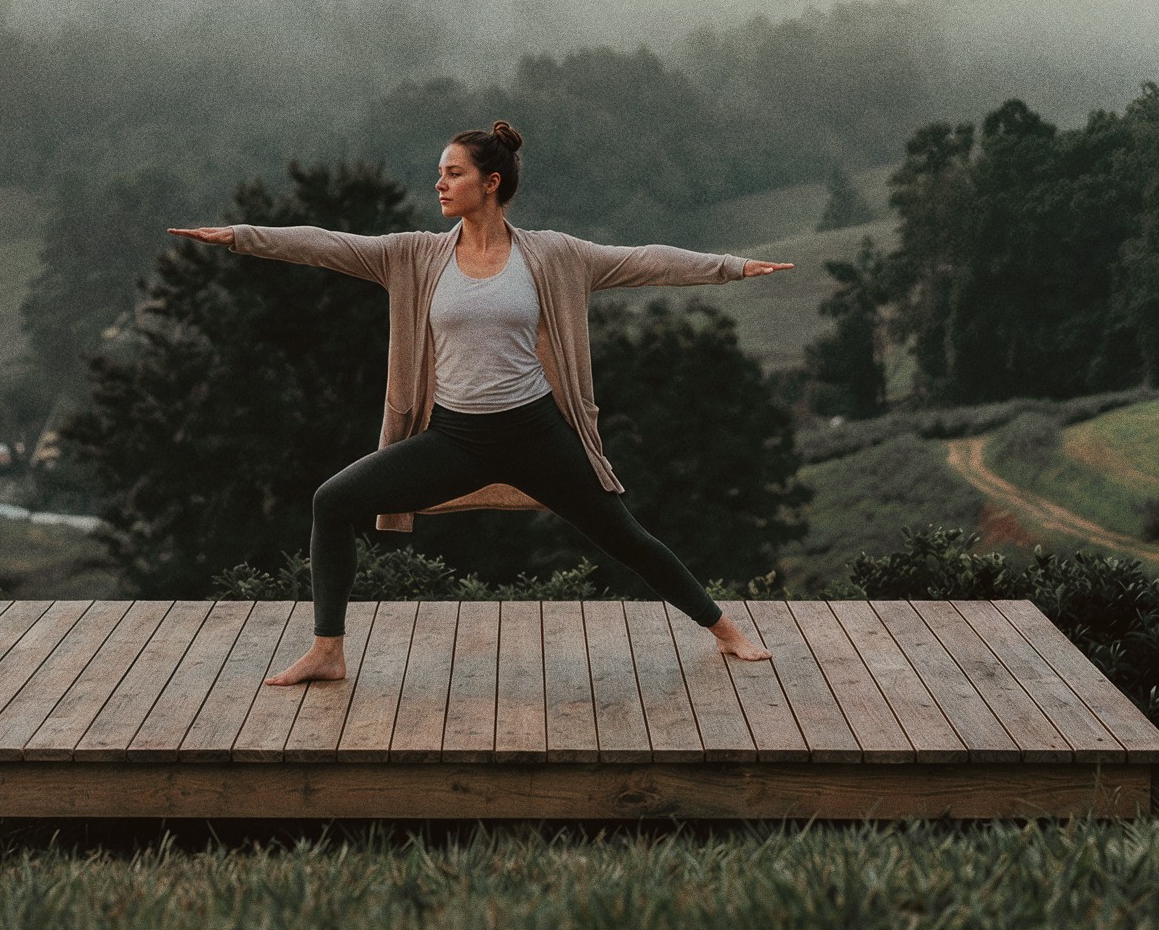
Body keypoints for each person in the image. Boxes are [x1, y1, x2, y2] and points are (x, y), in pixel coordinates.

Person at [171, 121, 791, 685]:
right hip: (455, 439)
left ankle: (726, 632)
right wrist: (242, 237)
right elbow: (327, 244)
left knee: (623, 537)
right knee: (333, 501)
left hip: (538, 433)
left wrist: (732, 267)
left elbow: (645, 261)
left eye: (453, 173)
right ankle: (327, 650)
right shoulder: (413, 255)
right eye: (440, 172)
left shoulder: (553, 256)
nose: (438, 183)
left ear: (491, 183)